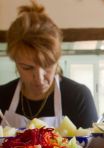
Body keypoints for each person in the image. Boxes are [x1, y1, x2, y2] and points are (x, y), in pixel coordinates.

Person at [0, 0, 98, 128]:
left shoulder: (78, 97)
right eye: (27, 68)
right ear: (16, 63)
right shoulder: (2, 97)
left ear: (57, 60)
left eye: (47, 65)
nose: (39, 79)